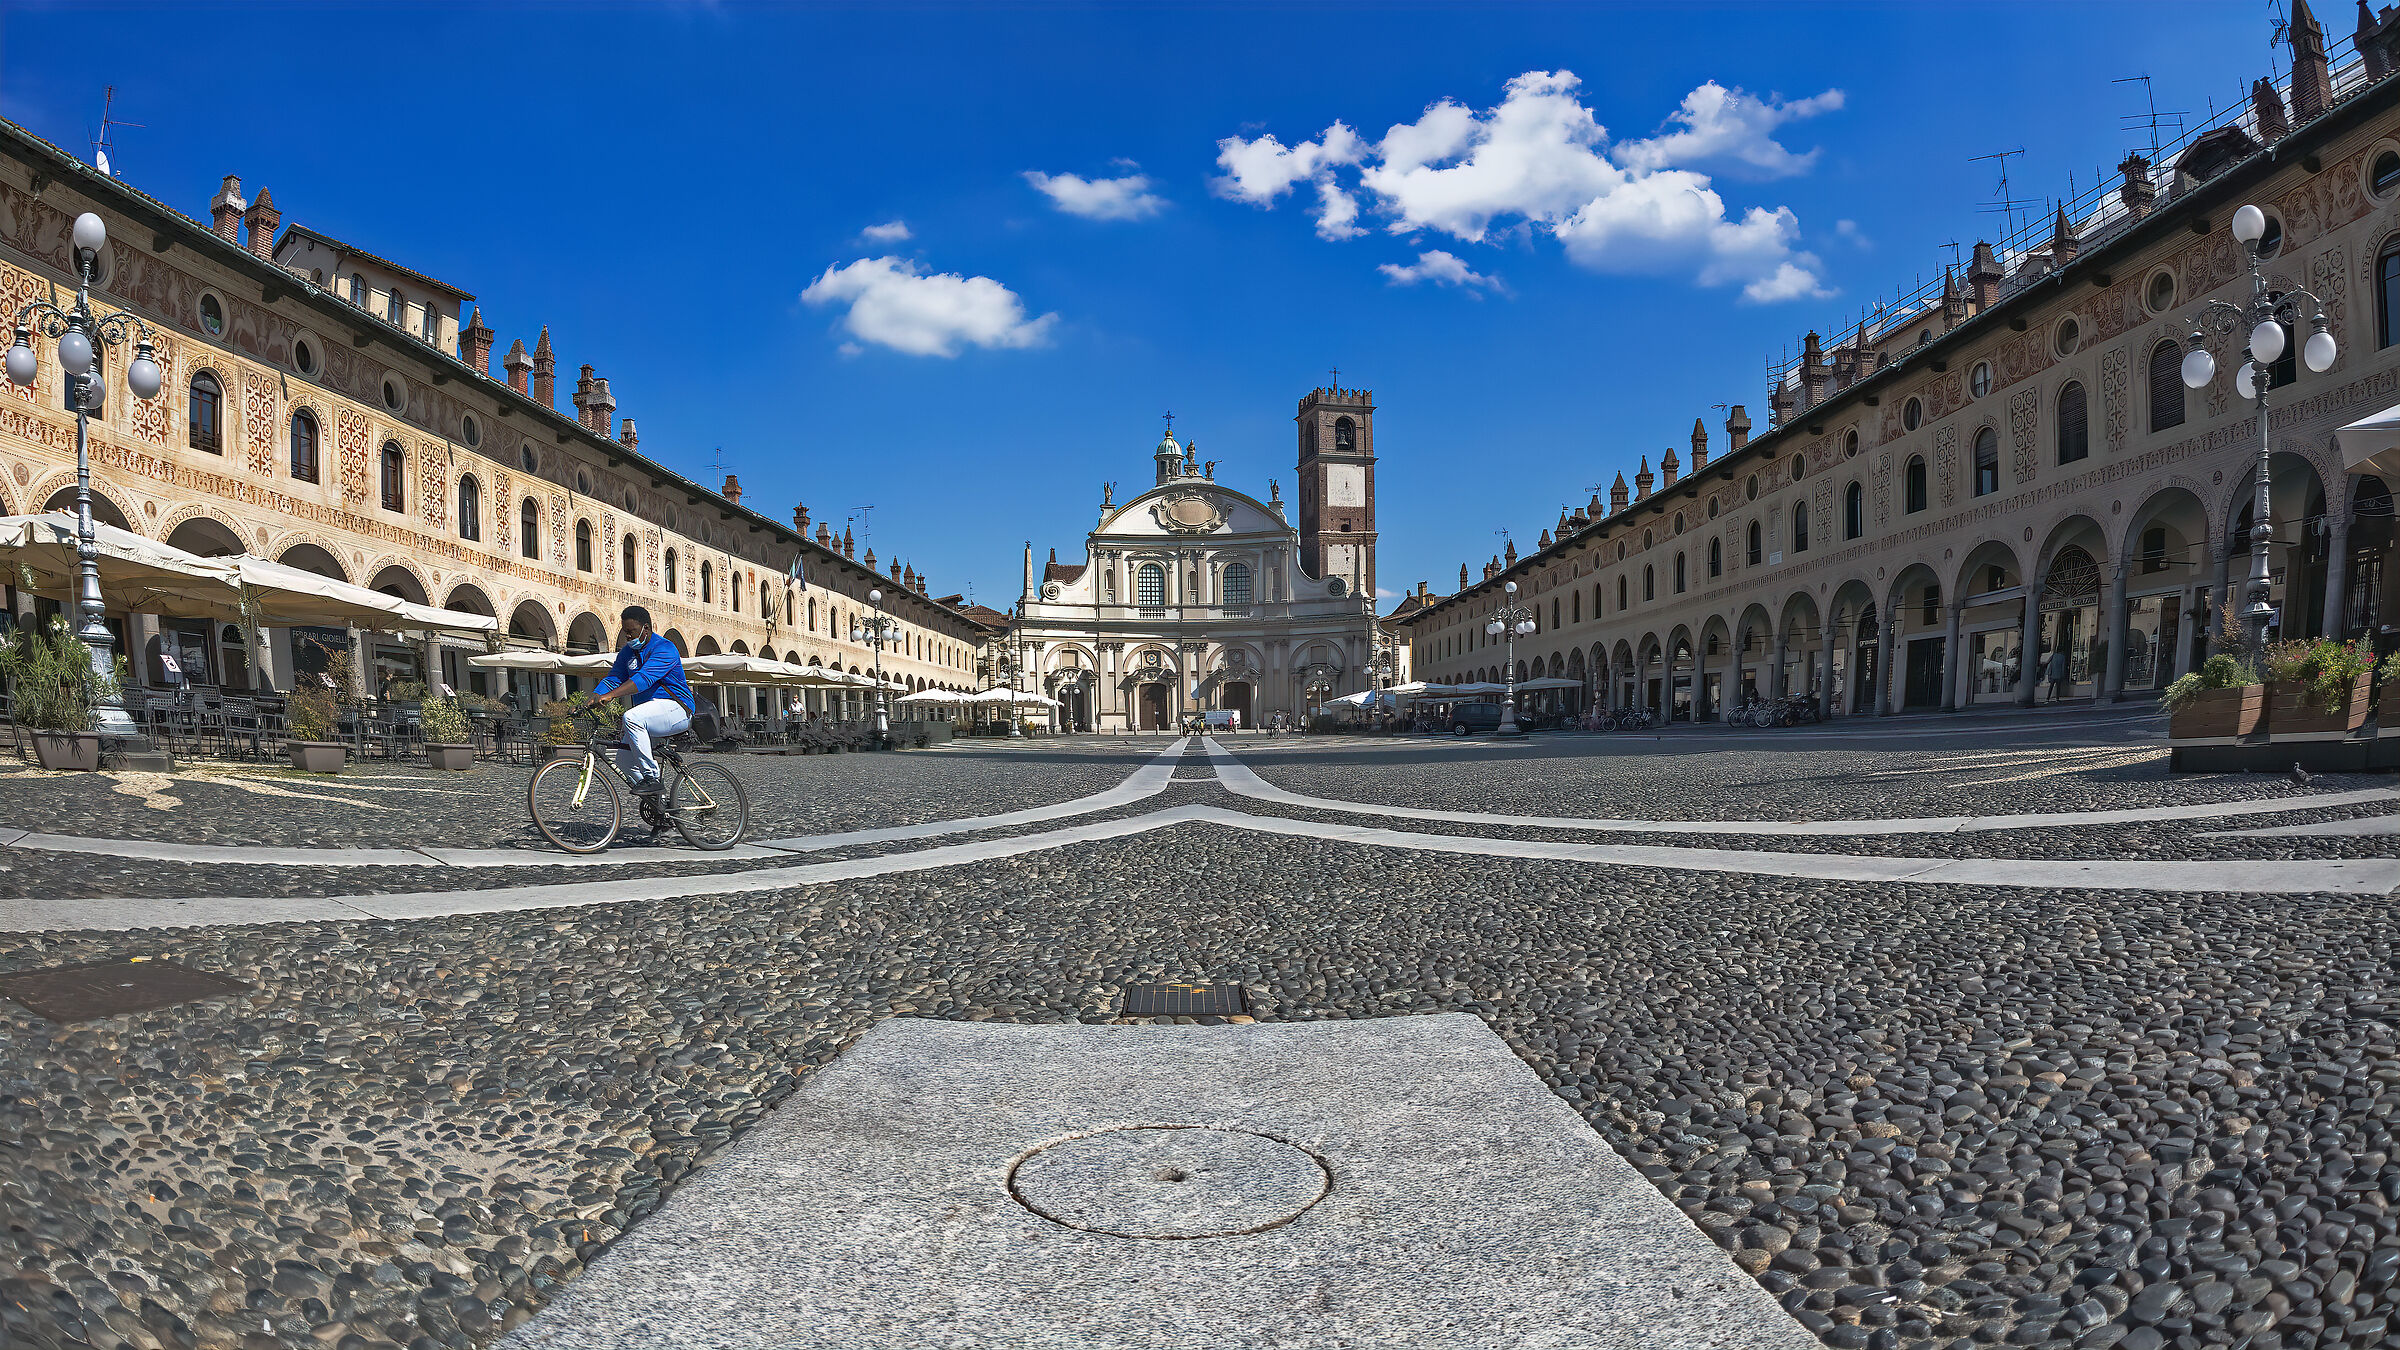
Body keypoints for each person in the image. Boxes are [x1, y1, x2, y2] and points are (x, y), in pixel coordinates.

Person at [581, 605, 694, 830]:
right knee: (622, 760)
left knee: (631, 717)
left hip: (678, 709)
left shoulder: (665, 648)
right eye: (625, 632)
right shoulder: (627, 653)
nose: (628, 636)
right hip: (648, 716)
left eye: (632, 631)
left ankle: (651, 778)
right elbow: (614, 677)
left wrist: (611, 696)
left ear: (646, 628)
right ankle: (659, 809)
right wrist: (594, 696)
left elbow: (644, 679)